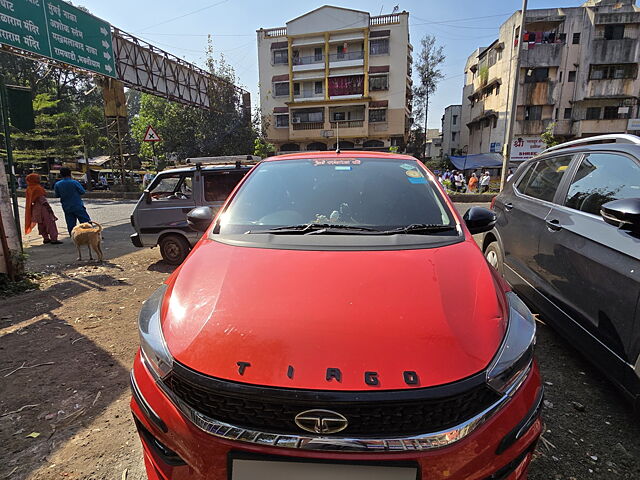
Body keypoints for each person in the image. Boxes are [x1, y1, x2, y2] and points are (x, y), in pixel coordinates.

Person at [25, 173, 62, 244]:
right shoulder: (38, 188)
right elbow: (42, 199)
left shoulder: (29, 188)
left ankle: (46, 238)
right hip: (43, 207)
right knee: (50, 223)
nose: (39, 179)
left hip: (35, 208)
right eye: (37, 178)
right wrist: (49, 208)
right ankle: (54, 239)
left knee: (41, 224)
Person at [54, 167, 91, 234]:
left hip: (66, 206)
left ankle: (73, 237)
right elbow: (82, 191)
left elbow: (57, 195)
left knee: (70, 223)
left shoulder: (57, 184)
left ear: (61, 174)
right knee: (85, 221)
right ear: (70, 173)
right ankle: (91, 234)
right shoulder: (74, 182)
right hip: (77, 205)